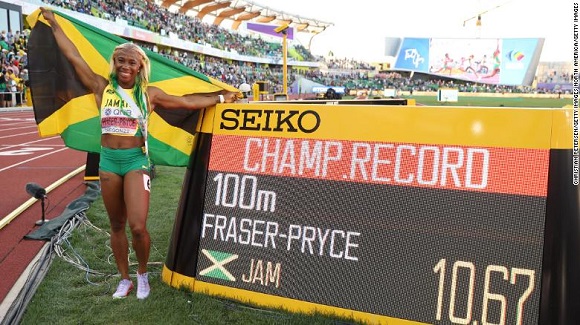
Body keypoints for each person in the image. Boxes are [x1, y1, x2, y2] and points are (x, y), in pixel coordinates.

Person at [40, 8, 238, 300]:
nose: (124, 66)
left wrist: (221, 98)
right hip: (108, 161)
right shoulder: (101, 87)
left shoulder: (150, 94)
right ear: (114, 63)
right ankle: (124, 279)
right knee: (116, 225)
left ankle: (142, 274)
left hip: (135, 162)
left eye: (131, 62)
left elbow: (186, 103)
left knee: (137, 225)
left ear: (139, 66)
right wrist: (55, 24)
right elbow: (73, 56)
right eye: (120, 60)